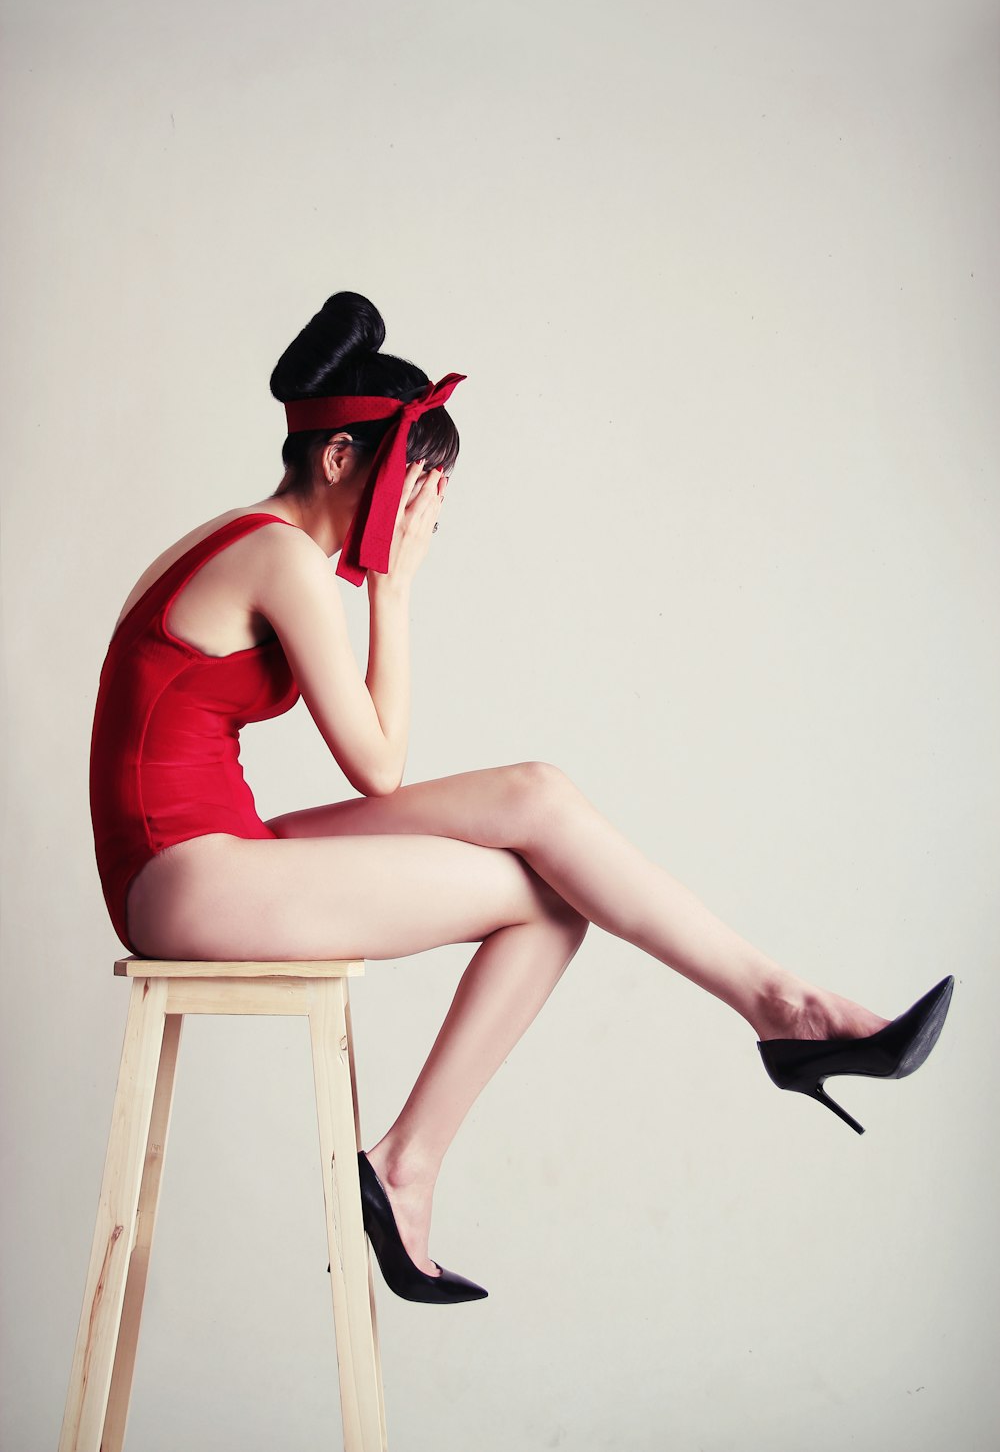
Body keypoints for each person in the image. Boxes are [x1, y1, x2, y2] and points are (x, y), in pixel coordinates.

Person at [88, 290, 955, 1305]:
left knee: (540, 805)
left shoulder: (255, 544)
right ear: (339, 463)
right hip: (182, 881)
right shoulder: (279, 554)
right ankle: (769, 1023)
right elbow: (376, 766)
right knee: (546, 889)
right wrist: (397, 596)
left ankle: (781, 1007)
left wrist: (384, 585)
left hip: (212, 854)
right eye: (411, 493)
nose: (418, 522)